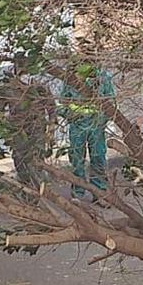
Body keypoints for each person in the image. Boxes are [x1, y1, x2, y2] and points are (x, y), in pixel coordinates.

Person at [61, 62, 115, 199]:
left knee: (98, 157)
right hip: (77, 125)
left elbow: (110, 102)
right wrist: (69, 114)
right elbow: (63, 101)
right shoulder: (71, 78)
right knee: (76, 158)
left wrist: (101, 119)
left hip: (96, 125)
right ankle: (77, 193)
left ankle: (100, 192)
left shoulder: (103, 78)